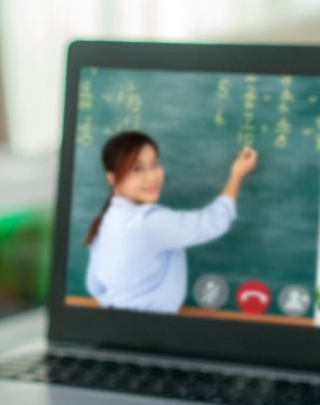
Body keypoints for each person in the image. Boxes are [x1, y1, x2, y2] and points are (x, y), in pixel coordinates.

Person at [84, 131, 258, 312]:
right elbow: (215, 221)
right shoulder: (147, 222)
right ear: (112, 179)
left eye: (155, 164)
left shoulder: (106, 219)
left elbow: (95, 286)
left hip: (114, 323)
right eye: (137, 168)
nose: (152, 176)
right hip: (147, 330)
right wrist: (237, 174)